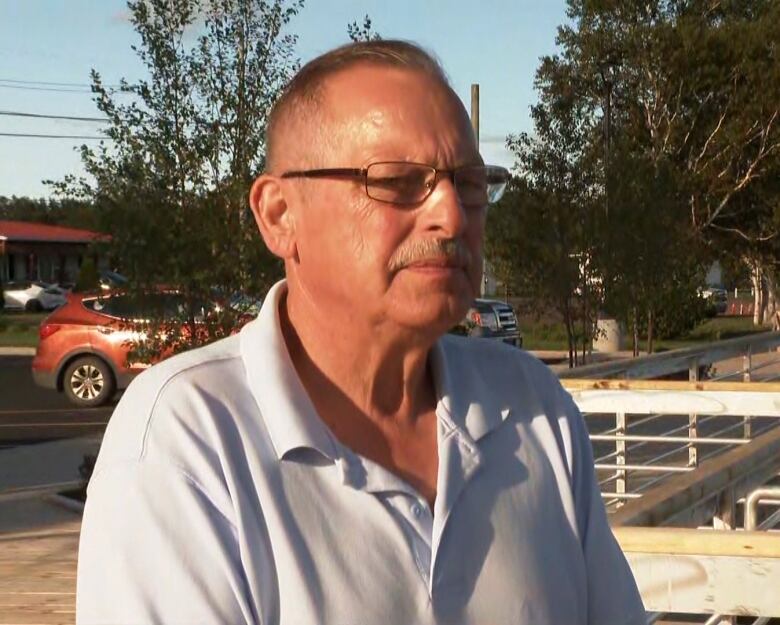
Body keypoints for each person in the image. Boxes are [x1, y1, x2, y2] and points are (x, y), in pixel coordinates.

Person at [77, 40, 645, 625]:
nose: (451, 216)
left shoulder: (532, 406)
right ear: (279, 216)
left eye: (469, 183)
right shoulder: (189, 439)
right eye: (397, 182)